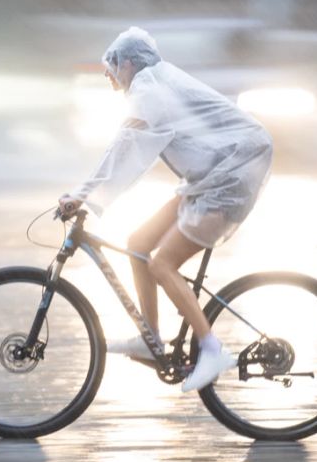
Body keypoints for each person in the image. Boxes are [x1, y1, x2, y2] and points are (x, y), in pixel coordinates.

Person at [59, 27, 273, 392]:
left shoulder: (149, 90)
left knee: (162, 264)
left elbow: (124, 147)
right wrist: (88, 193)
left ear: (128, 63)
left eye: (111, 66)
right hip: (210, 178)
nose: (108, 75)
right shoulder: (154, 84)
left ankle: (212, 349)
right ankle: (151, 337)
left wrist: (81, 194)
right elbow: (135, 153)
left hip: (229, 181)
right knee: (137, 242)